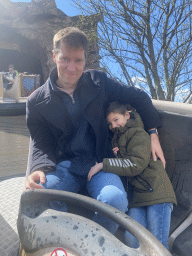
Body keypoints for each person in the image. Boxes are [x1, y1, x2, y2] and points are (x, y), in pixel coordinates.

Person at [25, 27, 165, 234]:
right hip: (65, 165)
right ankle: (66, 236)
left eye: (78, 60)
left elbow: (139, 97)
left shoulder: (99, 82)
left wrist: (153, 132)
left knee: (115, 200)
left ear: (85, 60)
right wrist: (37, 168)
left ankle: (96, 239)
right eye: (65, 59)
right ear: (54, 56)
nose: (71, 68)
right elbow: (40, 142)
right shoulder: (36, 101)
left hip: (100, 162)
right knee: (38, 195)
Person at [88, 102, 177, 249]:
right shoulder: (118, 138)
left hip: (157, 193)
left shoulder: (138, 133)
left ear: (127, 115)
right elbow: (126, 165)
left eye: (116, 120)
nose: (113, 126)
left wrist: (104, 164)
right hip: (137, 197)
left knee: (157, 243)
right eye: (110, 124)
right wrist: (118, 156)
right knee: (132, 240)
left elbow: (135, 165)